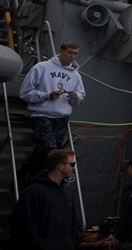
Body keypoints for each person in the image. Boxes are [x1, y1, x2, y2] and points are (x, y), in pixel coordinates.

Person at [19, 41, 85, 171]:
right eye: (70, 53)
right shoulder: (41, 68)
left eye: (75, 54)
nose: (72, 56)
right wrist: (46, 95)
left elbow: (79, 98)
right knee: (48, 148)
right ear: (61, 51)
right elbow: (24, 93)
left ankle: (34, 176)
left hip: (61, 118)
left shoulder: (76, 75)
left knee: (53, 154)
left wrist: (75, 96)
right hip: (42, 115)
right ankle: (27, 173)